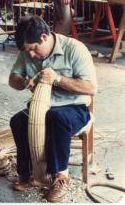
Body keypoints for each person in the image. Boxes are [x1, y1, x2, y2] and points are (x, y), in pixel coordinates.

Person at [9, 15, 97, 202]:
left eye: (33, 49)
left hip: (74, 107)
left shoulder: (74, 49)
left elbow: (91, 87)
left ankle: (61, 177)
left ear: (44, 37)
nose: (30, 54)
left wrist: (57, 79)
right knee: (17, 121)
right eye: (27, 51)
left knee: (57, 118)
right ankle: (26, 173)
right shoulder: (27, 50)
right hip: (41, 107)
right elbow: (13, 79)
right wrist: (25, 82)